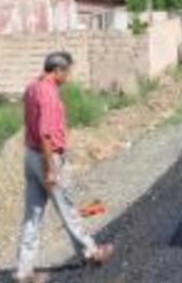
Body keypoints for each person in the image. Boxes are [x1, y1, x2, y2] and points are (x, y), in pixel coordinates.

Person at [14, 52, 113, 283]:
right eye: (67, 72)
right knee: (67, 208)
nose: (68, 77)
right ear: (58, 70)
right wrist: (50, 168)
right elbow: (45, 134)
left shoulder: (32, 87)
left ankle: (23, 271)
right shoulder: (48, 93)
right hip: (47, 157)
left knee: (32, 216)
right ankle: (91, 252)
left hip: (30, 156)